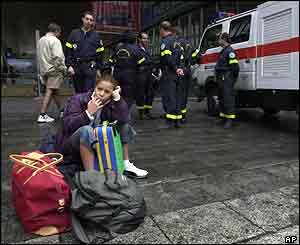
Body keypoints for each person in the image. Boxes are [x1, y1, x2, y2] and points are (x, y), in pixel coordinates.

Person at [54, 74, 148, 178]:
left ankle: (125, 163)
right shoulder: (78, 99)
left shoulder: (110, 102)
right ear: (94, 87)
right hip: (72, 143)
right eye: (99, 89)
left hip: (98, 142)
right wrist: (88, 113)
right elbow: (68, 125)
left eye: (107, 92)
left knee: (123, 125)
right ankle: (91, 176)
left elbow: (124, 119)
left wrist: (118, 99)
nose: (102, 94)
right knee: (86, 130)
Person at [109, 30, 146, 120]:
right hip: (130, 77)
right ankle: (123, 115)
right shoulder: (136, 49)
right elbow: (142, 63)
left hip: (117, 76)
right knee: (128, 97)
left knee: (117, 94)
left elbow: (110, 61)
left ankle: (115, 113)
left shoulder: (117, 49)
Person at [65, 11, 104, 94]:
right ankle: (78, 107)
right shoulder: (74, 33)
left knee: (88, 93)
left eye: (91, 20)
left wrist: (98, 68)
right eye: (87, 19)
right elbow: (68, 51)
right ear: (83, 19)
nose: (89, 21)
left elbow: (100, 53)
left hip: (90, 67)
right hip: (76, 67)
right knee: (78, 92)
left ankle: (87, 107)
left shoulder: (96, 36)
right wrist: (69, 66)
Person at [37, 22, 67, 123]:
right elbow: (57, 57)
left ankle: (62, 110)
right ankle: (42, 114)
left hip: (44, 69)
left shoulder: (41, 40)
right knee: (50, 90)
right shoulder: (55, 41)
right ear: (57, 31)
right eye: (59, 33)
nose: (59, 35)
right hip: (54, 70)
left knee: (54, 91)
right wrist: (63, 69)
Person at [158, 21, 185, 129]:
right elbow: (181, 57)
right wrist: (180, 69)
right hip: (178, 73)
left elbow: (167, 58)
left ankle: (170, 121)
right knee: (177, 96)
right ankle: (177, 120)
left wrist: (174, 68)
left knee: (170, 97)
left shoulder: (165, 42)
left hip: (169, 73)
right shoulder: (177, 41)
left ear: (162, 29)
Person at [215, 32, 240, 129]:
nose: (218, 41)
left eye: (219, 39)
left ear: (224, 40)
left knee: (228, 98)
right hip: (222, 77)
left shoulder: (230, 51)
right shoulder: (224, 50)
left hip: (227, 77)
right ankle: (224, 118)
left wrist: (231, 79)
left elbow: (235, 67)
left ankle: (230, 120)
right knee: (222, 98)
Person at [174, 26, 193, 124]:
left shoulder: (176, 43)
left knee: (179, 94)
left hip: (180, 71)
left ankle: (179, 116)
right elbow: (193, 56)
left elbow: (176, 57)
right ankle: (184, 116)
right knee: (184, 95)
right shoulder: (188, 43)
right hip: (188, 71)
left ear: (175, 34)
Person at [135, 32, 156, 120]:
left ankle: (147, 111)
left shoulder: (146, 49)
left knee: (150, 93)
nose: (146, 40)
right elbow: (140, 62)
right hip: (140, 74)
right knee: (140, 93)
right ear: (139, 39)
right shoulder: (137, 49)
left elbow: (149, 61)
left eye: (147, 38)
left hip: (148, 74)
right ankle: (141, 113)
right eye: (144, 38)